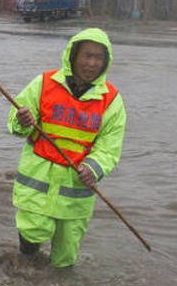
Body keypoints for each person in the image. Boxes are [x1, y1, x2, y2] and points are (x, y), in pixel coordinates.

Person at [7, 27, 126, 268]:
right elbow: (15, 123)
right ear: (73, 56)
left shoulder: (111, 100)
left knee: (66, 257)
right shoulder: (44, 83)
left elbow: (110, 146)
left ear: (106, 62)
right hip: (37, 183)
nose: (92, 63)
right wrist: (23, 122)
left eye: (98, 58)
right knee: (31, 237)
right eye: (87, 55)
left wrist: (94, 168)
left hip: (76, 190)